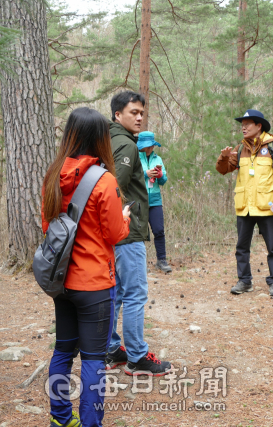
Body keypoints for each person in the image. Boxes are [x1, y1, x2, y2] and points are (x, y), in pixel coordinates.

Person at [42, 107, 130, 427]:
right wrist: (125, 220)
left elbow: (47, 227)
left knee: (63, 351)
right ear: (101, 139)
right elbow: (115, 233)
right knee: (93, 360)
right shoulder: (104, 179)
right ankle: (91, 423)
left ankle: (61, 419)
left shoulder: (53, 174)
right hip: (94, 284)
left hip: (62, 281)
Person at [105, 91, 172, 376]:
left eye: (142, 112)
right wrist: (122, 221)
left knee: (117, 294)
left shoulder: (108, 140)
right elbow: (113, 188)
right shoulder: (126, 146)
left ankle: (111, 349)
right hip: (126, 233)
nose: (140, 117)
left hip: (112, 233)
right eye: (134, 112)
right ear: (118, 115)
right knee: (134, 294)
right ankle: (137, 357)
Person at [216, 109, 273, 297]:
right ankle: (245, 281)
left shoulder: (272, 147)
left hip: (266, 205)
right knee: (242, 247)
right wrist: (224, 157)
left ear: (258, 126)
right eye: (242, 125)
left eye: (247, 124)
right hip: (245, 206)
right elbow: (223, 170)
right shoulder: (240, 148)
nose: (243, 127)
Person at [137, 131, 172, 273]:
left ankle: (162, 260)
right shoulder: (135, 158)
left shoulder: (158, 159)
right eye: (148, 146)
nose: (150, 148)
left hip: (155, 199)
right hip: (140, 199)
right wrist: (146, 174)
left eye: (152, 145)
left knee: (159, 230)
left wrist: (160, 175)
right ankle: (139, 263)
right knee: (138, 232)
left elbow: (164, 181)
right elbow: (132, 176)